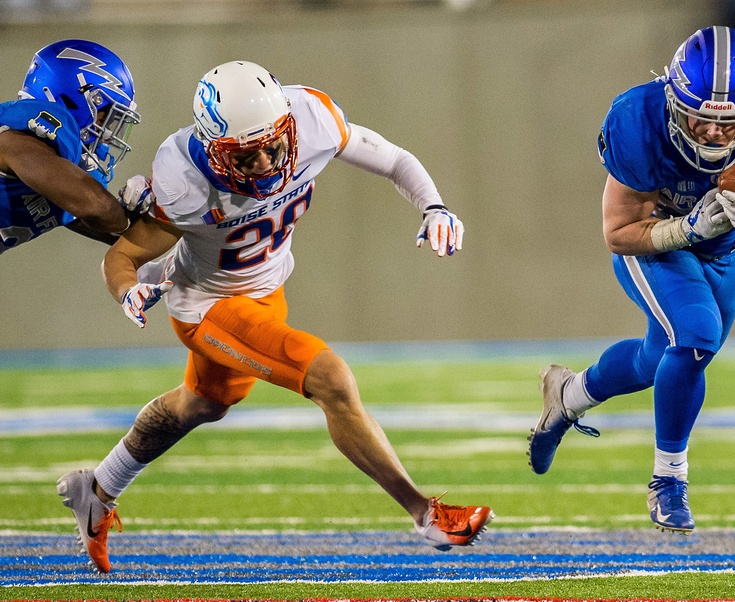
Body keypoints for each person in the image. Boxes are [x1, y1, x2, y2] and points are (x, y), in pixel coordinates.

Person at [56, 59, 492, 574]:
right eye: (246, 154)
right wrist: (129, 289)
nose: (265, 161)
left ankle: (98, 489)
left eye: (272, 145)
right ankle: (426, 513)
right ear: (215, 150)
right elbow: (121, 256)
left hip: (266, 289)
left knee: (201, 405)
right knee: (329, 378)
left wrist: (434, 207)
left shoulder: (311, 119)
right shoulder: (185, 179)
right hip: (207, 306)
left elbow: (394, 159)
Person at [527, 26, 735, 534]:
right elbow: (619, 233)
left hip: (723, 252)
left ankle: (570, 395)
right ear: (674, 102)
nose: (714, 134)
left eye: (731, 122)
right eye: (699, 118)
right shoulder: (638, 121)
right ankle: (668, 480)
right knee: (696, 336)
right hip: (654, 245)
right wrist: (687, 227)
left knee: (662, 358)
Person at [0, 39, 148, 254]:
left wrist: (141, 219)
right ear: (74, 99)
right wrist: (122, 218)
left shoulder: (49, 167)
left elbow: (90, 216)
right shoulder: (17, 140)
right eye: (104, 118)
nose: (106, 135)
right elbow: (96, 207)